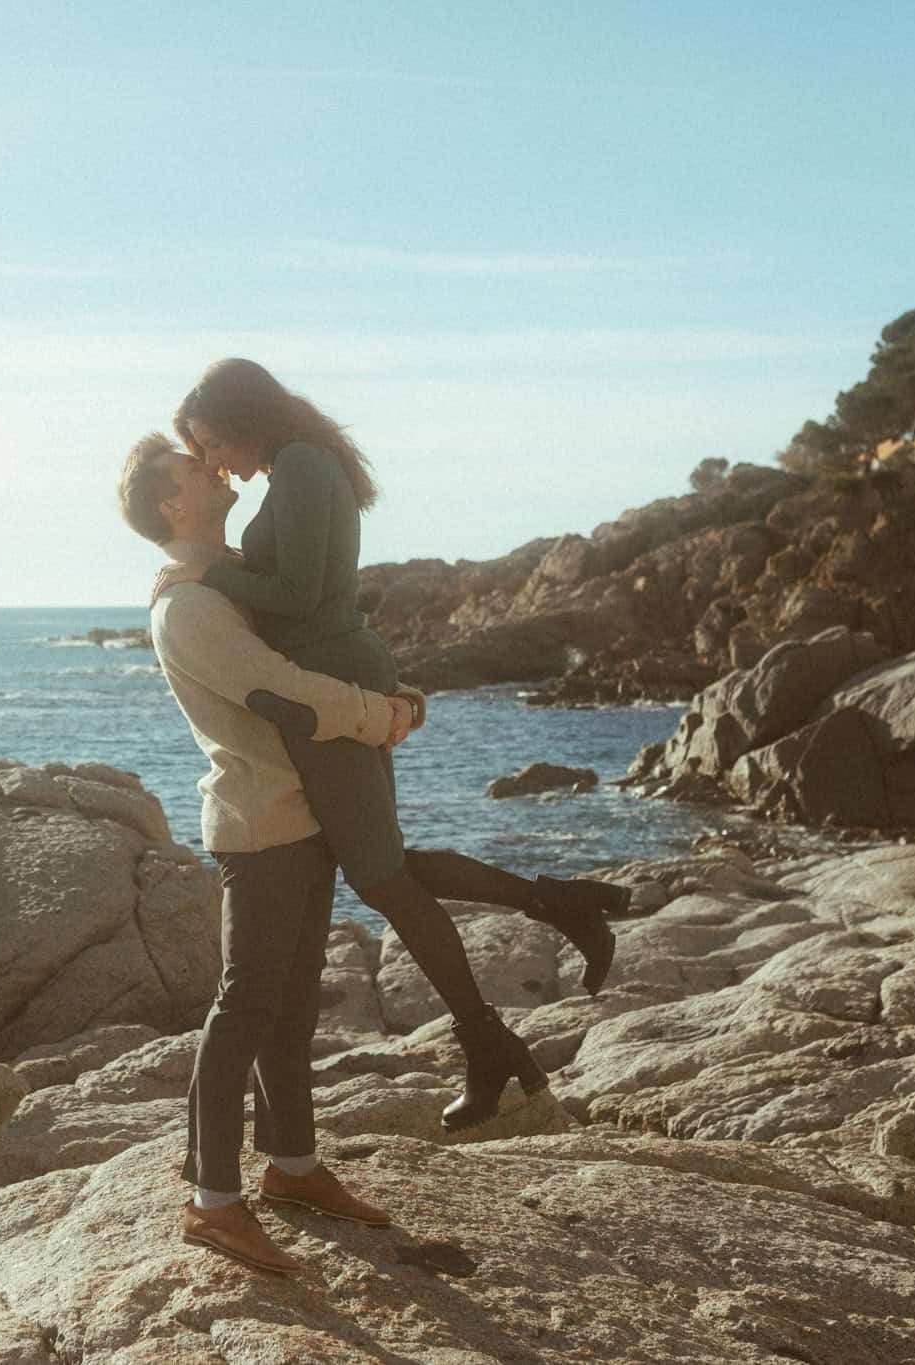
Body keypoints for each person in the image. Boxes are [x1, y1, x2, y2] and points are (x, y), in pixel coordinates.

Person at [152, 359, 634, 1132]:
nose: (212, 460)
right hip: (338, 675)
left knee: (383, 875)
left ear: (243, 415)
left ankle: (510, 1003)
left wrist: (207, 569)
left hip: (338, 682)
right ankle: (541, 944)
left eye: (209, 441)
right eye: (198, 452)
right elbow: (295, 589)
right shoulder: (295, 467)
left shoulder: (304, 467)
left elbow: (300, 597)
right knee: (388, 868)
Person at [118, 431, 405, 1275]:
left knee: (291, 1004)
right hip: (260, 825)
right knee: (244, 1006)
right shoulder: (189, 606)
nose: (211, 468)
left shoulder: (223, 575)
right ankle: (212, 1202)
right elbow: (280, 691)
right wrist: (376, 711)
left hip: (298, 813)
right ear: (172, 505)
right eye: (191, 469)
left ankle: (292, 1166)